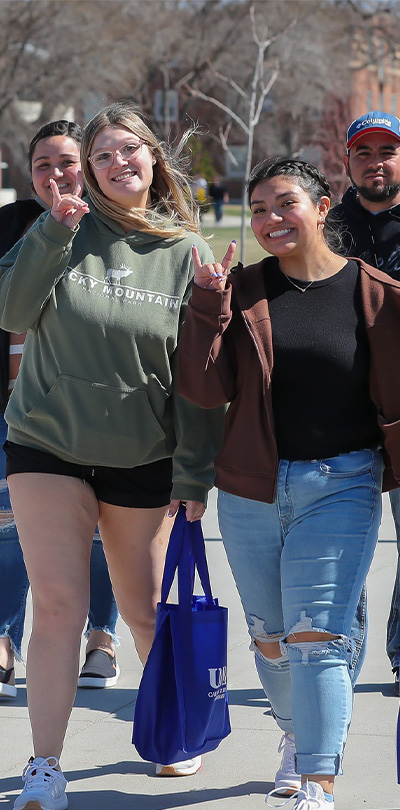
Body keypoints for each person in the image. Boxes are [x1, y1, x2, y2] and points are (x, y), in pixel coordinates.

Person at [0, 102, 223, 810]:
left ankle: (174, 731)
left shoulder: (187, 252)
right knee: (58, 604)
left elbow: (199, 381)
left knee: (145, 611)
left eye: (129, 150)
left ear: (153, 158)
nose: (117, 162)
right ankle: (44, 766)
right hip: (47, 444)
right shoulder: (62, 228)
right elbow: (10, 312)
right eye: (102, 155)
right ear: (90, 171)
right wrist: (52, 233)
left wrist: (194, 473)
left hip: (141, 456)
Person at [178, 156, 400, 810]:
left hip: (343, 485)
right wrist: (206, 304)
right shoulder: (241, 289)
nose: (270, 219)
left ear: (322, 207)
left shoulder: (377, 296)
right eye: (259, 209)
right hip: (250, 491)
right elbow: (202, 388)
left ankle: (317, 781)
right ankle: (296, 734)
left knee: (316, 637)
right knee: (271, 641)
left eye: (284, 204)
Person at [0, 119, 121, 701]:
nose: (55, 174)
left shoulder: (111, 227)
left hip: (93, 408)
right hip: (15, 409)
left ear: (89, 167)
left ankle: (102, 638)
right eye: (43, 165)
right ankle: (4, 639)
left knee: (98, 530)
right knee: (7, 527)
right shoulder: (12, 225)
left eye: (67, 162)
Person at [329, 110, 400, 695]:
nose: (376, 163)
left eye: (387, 152)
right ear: (347, 161)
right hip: (342, 406)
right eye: (364, 152)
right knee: (341, 547)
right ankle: (338, 663)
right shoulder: (327, 225)